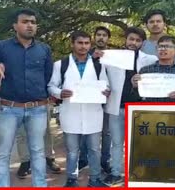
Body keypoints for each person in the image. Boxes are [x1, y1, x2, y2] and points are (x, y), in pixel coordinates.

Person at [0, 8, 53, 187]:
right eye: (25, 22)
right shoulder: (1, 47)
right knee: (2, 152)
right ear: (15, 25)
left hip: (37, 108)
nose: (29, 25)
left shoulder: (44, 49)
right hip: (9, 108)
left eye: (33, 22)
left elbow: (47, 76)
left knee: (38, 151)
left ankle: (40, 185)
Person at [48, 31, 110, 187]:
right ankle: (72, 179)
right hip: (70, 113)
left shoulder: (98, 65)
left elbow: (105, 84)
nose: (83, 46)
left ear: (90, 44)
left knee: (95, 149)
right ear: (72, 43)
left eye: (86, 43)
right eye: (80, 43)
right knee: (72, 150)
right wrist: (59, 93)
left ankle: (95, 179)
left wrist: (106, 90)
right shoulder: (60, 65)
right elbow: (51, 86)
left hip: (93, 113)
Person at [99, 27, 157, 186]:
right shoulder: (112, 57)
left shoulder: (150, 59)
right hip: (116, 106)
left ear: (142, 43)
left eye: (138, 40)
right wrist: (104, 88)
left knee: (138, 143)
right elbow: (103, 78)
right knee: (116, 143)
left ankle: (137, 174)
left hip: (138, 108)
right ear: (125, 39)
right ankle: (116, 173)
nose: (134, 42)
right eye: (131, 39)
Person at [79, 26, 112, 174]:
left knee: (106, 132)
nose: (101, 38)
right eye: (98, 34)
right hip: (90, 99)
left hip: (110, 98)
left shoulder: (115, 55)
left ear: (108, 38)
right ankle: (84, 159)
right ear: (94, 37)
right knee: (87, 130)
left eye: (104, 35)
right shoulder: (85, 54)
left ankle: (105, 161)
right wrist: (93, 58)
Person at [132, 35, 175, 102]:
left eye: (167, 46)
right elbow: (136, 97)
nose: (163, 49)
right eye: (160, 46)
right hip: (150, 110)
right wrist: (135, 87)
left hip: (174, 111)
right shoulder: (145, 71)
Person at [16, 103, 61, 179]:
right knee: (21, 134)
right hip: (18, 102)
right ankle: (25, 162)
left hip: (40, 100)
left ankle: (49, 158)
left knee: (45, 131)